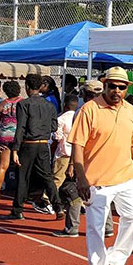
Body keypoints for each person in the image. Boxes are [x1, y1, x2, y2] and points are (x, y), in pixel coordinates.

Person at [69, 67, 133, 265]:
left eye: (121, 87)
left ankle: (116, 259)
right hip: (97, 180)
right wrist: (81, 176)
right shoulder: (89, 110)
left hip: (126, 176)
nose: (116, 90)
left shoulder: (130, 111)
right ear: (104, 85)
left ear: (126, 89)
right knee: (96, 227)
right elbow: (78, 145)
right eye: (111, 86)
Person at [54, 80, 114, 238]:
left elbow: (77, 142)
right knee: (102, 192)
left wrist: (73, 164)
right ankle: (107, 227)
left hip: (86, 160)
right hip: (105, 159)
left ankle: (72, 227)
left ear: (85, 95)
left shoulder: (82, 112)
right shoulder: (109, 111)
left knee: (74, 192)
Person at [0, 74, 59, 220]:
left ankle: (17, 210)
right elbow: (54, 126)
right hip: (43, 145)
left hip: (28, 145)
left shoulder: (23, 104)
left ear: (26, 87)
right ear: (40, 87)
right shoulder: (50, 105)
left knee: (23, 177)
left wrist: (15, 149)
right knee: (47, 177)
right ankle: (58, 207)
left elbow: (20, 128)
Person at [50, 95, 81, 237]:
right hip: (78, 155)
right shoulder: (81, 115)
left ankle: (52, 202)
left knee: (58, 180)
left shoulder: (61, 118)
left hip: (64, 152)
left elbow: (57, 137)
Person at [0, 81, 22, 201]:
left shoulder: (1, 105)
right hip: (18, 137)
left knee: (2, 166)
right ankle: (19, 193)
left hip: (3, 136)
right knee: (20, 165)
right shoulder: (23, 103)